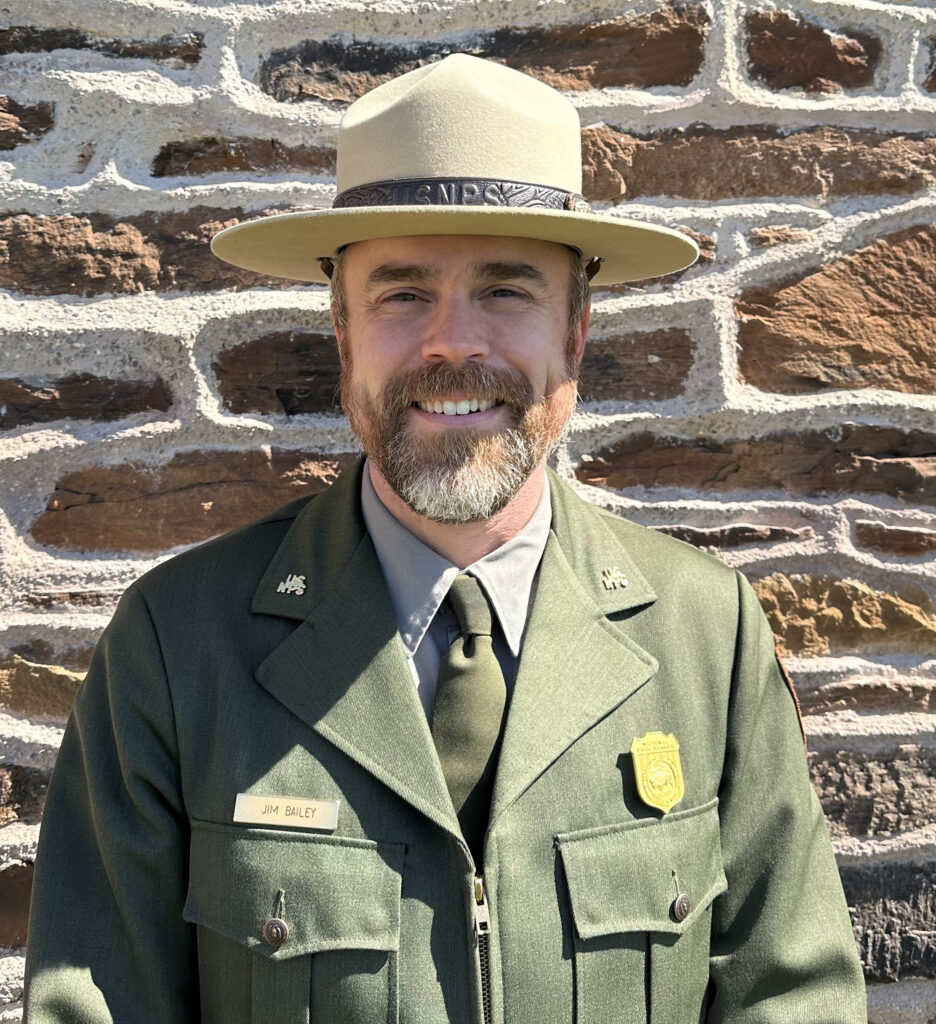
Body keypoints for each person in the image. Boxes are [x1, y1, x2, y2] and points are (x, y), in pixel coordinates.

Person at [24, 54, 865, 1024]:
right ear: (342, 329)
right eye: (403, 293)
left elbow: (794, 1000)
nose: (451, 344)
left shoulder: (705, 637)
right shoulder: (177, 650)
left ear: (577, 330)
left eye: (506, 291)